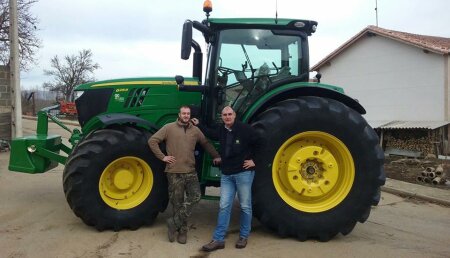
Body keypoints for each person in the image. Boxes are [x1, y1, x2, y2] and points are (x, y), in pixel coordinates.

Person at [192, 106, 262, 252]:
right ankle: (218, 239)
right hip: (227, 174)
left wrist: (254, 160)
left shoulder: (245, 129)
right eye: (225, 115)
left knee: (245, 206)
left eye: (230, 114)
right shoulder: (222, 130)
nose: (227, 117)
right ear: (222, 117)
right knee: (224, 206)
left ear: (234, 115)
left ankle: (243, 236)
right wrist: (198, 124)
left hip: (243, 173)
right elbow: (210, 133)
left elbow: (261, 142)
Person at [148, 105, 220, 244]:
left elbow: (205, 143)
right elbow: (152, 141)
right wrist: (163, 157)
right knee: (177, 203)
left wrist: (216, 155)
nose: (186, 115)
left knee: (196, 196)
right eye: (184, 113)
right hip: (174, 172)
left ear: (190, 115)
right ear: (179, 114)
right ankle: (182, 231)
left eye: (188, 113)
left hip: (190, 171)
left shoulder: (195, 130)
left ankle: (173, 223)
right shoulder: (169, 128)